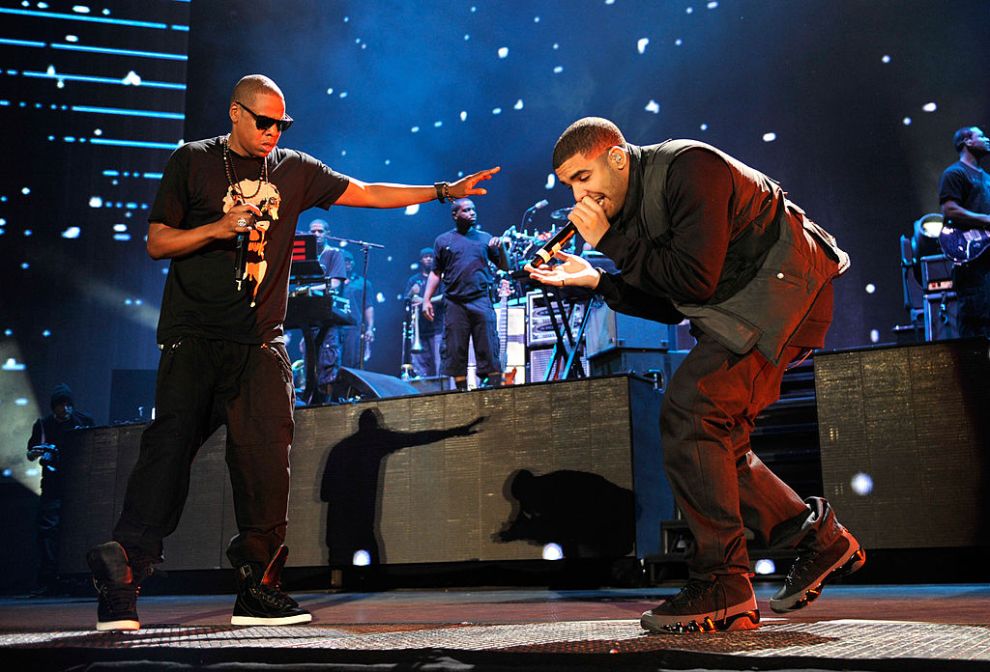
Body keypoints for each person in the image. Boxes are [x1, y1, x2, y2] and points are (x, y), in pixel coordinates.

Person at [85, 74, 499, 631]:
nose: (273, 133)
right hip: (195, 339)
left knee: (265, 466)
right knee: (167, 455)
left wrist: (443, 191)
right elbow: (159, 241)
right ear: (235, 114)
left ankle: (259, 588)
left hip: (260, 343)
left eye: (282, 124)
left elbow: (368, 191)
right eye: (264, 122)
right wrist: (217, 228)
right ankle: (124, 581)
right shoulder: (192, 160)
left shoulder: (294, 169)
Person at [527, 117, 864, 634]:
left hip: (787, 292)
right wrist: (595, 278)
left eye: (582, 176)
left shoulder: (690, 167)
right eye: (570, 184)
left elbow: (695, 279)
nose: (579, 194)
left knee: (690, 412)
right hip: (750, 304)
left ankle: (724, 583)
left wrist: (611, 244)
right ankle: (816, 538)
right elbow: (673, 304)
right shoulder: (633, 204)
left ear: (617, 158)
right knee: (715, 435)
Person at [422, 198, 507, 390]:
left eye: (473, 210)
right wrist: (426, 299)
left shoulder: (485, 238)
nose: (472, 213)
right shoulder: (443, 241)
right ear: (455, 215)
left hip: (480, 299)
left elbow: (504, 265)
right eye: (467, 210)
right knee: (454, 349)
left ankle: (493, 388)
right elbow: (436, 272)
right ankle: (460, 392)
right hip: (454, 303)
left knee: (488, 346)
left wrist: (501, 249)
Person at [26, 384, 93, 596]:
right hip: (53, 485)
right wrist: (39, 452)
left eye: (67, 404)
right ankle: (50, 579)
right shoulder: (43, 425)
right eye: (60, 405)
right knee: (49, 530)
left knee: (80, 530)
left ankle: (80, 577)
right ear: (53, 407)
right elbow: (30, 452)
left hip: (80, 485)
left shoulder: (84, 421)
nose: (64, 409)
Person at [939, 126, 990, 337]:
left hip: (987, 259)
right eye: (982, 136)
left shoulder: (986, 178)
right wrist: (986, 220)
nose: (987, 139)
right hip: (970, 258)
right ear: (967, 142)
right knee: (975, 319)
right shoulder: (955, 173)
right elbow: (949, 209)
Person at [404, 247, 442, 377]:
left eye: (431, 257)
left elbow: (445, 296)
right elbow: (406, 300)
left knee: (439, 366)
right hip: (419, 330)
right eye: (426, 257)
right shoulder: (413, 280)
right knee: (420, 369)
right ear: (421, 260)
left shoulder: (440, 277)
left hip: (437, 328)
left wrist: (424, 300)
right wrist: (411, 293)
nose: (429, 259)